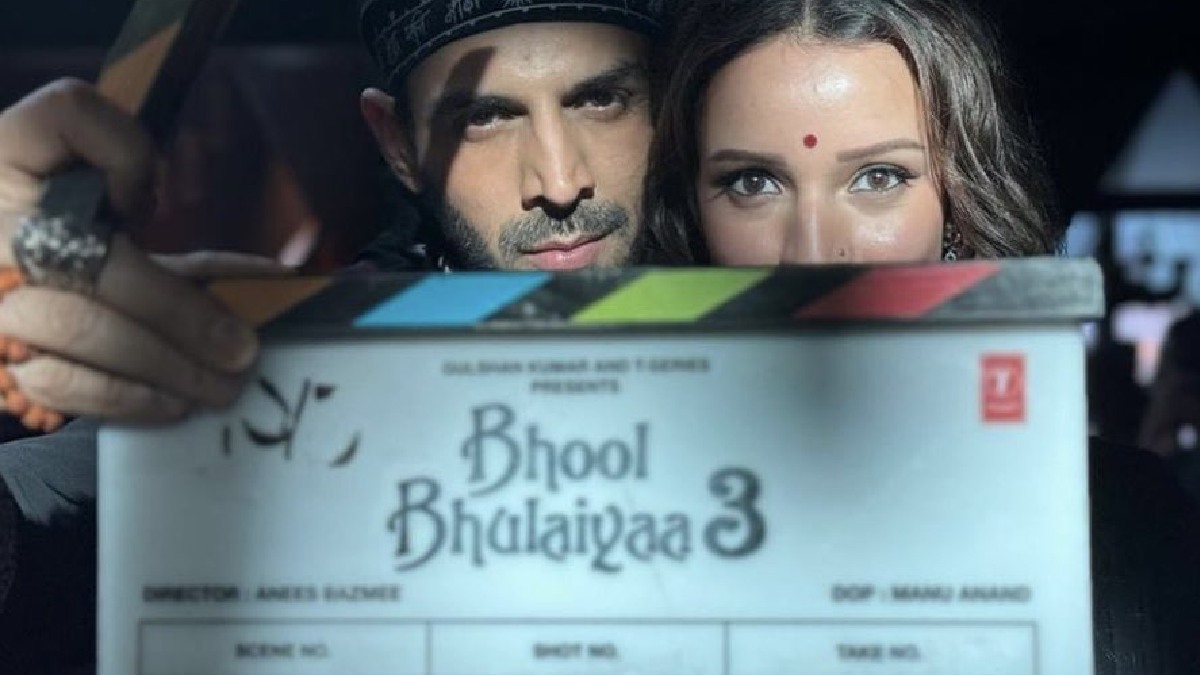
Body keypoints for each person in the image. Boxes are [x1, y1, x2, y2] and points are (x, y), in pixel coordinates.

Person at [0, 1, 669, 669]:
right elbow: (47, 500)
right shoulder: (294, 362)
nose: (560, 182)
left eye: (601, 100)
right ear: (399, 146)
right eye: (484, 117)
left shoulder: (736, 284)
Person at [641, 0, 1200, 673]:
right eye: (752, 182)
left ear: (958, 209)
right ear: (690, 214)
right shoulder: (615, 527)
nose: (813, 253)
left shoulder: (1127, 521)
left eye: (878, 178)